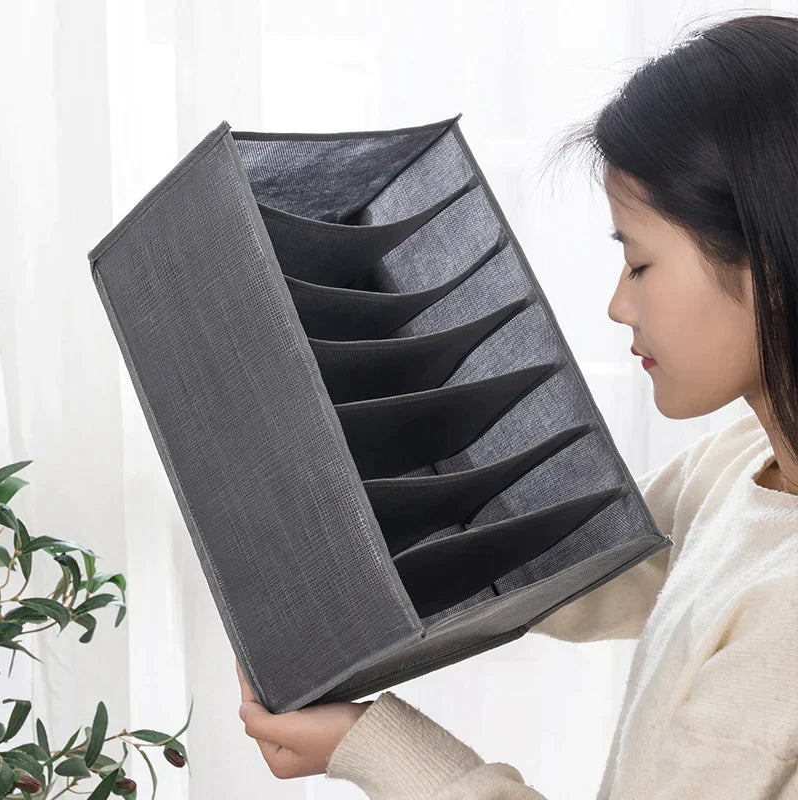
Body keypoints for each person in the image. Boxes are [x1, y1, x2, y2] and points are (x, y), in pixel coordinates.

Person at [234, 12, 798, 798]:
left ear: (770, 261)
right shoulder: (742, 464)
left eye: (639, 263)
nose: (618, 306)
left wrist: (379, 749)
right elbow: (585, 567)